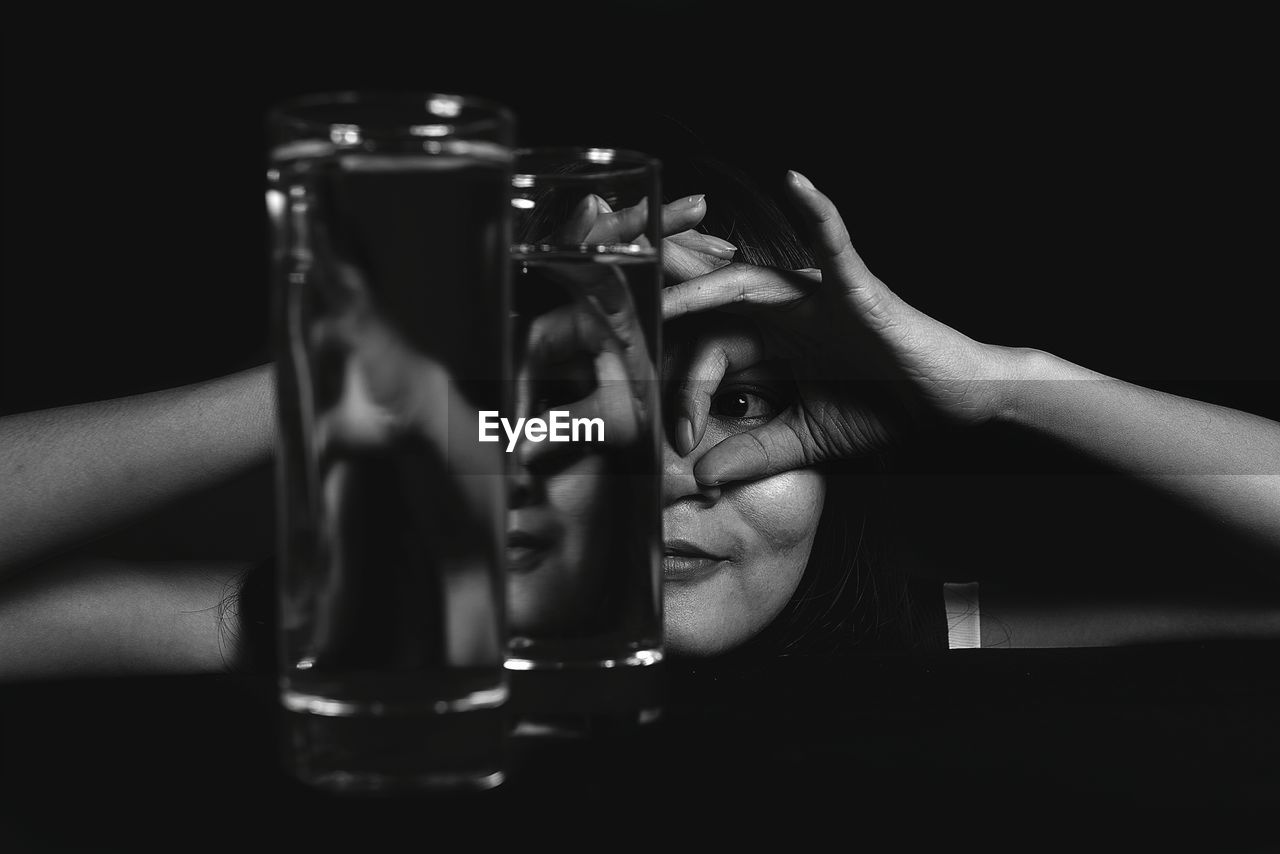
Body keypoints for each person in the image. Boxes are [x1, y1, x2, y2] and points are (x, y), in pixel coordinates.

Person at [2, 140, 1279, 683]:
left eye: (754, 405)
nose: (674, 473)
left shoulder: (901, 634)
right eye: (576, 403)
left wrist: (1003, 387)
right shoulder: (334, 630)